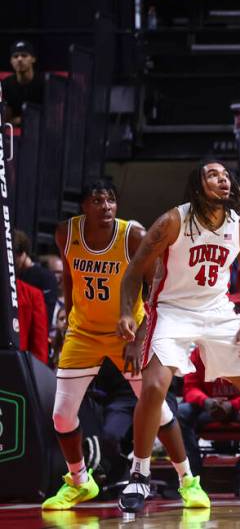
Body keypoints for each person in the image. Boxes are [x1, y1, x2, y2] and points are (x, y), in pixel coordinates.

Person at [117, 161, 240, 514]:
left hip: (218, 311)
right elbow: (134, 270)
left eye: (225, 175)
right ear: (198, 185)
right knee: (155, 387)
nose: (222, 179)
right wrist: (128, 313)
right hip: (171, 309)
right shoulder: (173, 220)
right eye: (212, 175)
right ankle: (139, 475)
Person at [39, 182, 206, 510]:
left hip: (127, 332)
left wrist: (141, 337)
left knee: (157, 409)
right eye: (97, 200)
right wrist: (67, 312)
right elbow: (71, 275)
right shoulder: (65, 233)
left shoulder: (133, 235)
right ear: (84, 206)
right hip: (83, 333)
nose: (106, 206)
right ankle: (79, 482)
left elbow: (156, 287)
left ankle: (189, 481)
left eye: (111, 200)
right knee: (61, 416)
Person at [176, 346, 240, 475]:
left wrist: (233, 404)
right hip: (208, 408)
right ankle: (192, 473)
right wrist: (206, 401)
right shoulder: (199, 352)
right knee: (180, 413)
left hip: (239, 409)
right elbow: (190, 388)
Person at [2, 40, 42, 125]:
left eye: (24, 55)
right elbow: (5, 119)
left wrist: (22, 120)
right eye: (15, 56)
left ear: (33, 59)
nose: (19, 59)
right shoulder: (6, 84)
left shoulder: (45, 83)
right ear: (11, 61)